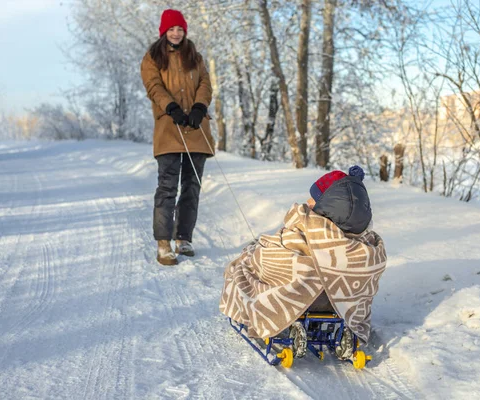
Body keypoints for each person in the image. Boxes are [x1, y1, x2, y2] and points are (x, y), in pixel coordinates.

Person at [219, 165, 387, 356]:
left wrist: (256, 253)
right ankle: (345, 326)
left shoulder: (306, 229)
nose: (308, 201)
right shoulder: (366, 245)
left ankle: (282, 316)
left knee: (246, 265)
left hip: (299, 295)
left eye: (314, 198)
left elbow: (277, 256)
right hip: (338, 302)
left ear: (327, 205)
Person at [140, 9, 214, 265]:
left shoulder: (195, 56)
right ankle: (164, 243)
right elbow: (153, 86)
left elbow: (205, 83)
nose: (176, 33)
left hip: (196, 130)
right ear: (164, 31)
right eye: (171, 29)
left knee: (191, 187)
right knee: (168, 187)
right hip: (169, 129)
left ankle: (184, 238)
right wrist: (171, 107)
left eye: (180, 29)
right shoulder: (153, 57)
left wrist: (199, 107)